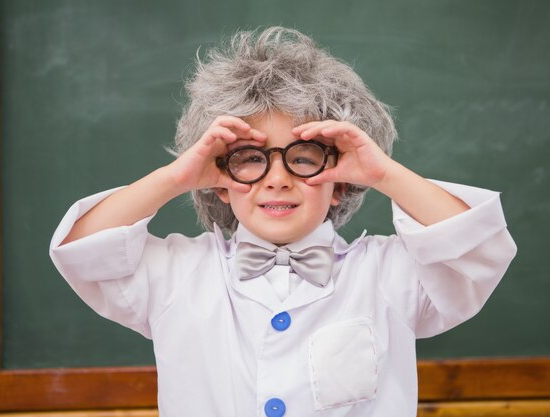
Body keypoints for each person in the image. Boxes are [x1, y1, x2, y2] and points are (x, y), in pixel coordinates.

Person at [49, 26, 517, 417]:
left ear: (342, 177)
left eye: (304, 158)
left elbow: (477, 251)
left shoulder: (389, 274)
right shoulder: (175, 274)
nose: (277, 180)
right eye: (249, 159)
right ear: (218, 175)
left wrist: (383, 173)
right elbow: (83, 251)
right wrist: (176, 177)